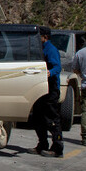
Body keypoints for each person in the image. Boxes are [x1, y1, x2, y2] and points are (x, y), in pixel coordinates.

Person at [32, 26, 64, 157]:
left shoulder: (51, 50)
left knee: (51, 118)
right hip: (39, 87)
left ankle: (57, 147)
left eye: (38, 36)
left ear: (45, 37)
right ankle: (42, 144)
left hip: (51, 88)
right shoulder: (38, 49)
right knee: (38, 117)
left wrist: (49, 72)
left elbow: (57, 67)